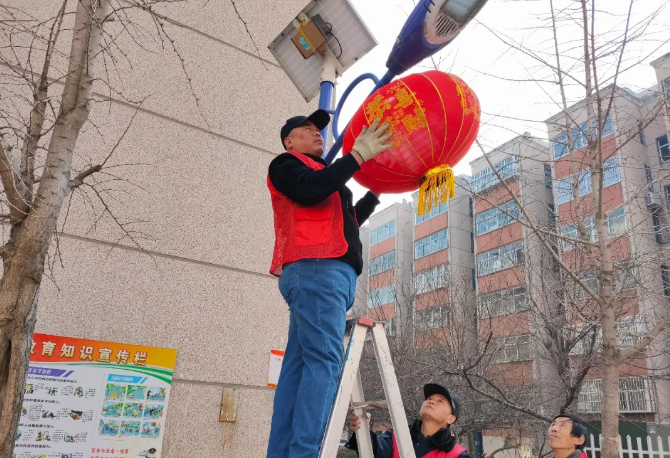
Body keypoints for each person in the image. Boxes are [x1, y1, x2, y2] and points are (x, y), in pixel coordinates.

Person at [266, 109, 393, 458]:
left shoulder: (327, 175)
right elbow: (310, 193)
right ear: (289, 141)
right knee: (324, 362)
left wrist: (376, 191)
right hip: (318, 270)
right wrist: (355, 158)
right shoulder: (286, 164)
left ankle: (283, 453)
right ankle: (306, 452)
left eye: (318, 129)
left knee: (299, 367)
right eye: (306, 129)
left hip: (322, 273)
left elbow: (347, 221)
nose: (317, 133)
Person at [346, 383, 471, 458]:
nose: (431, 401)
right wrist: (363, 429)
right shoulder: (395, 437)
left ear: (451, 418)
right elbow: (375, 452)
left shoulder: (457, 455)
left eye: (440, 401)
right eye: (429, 398)